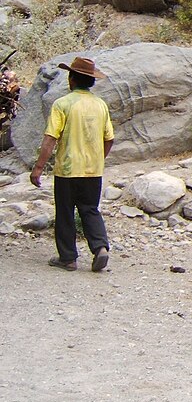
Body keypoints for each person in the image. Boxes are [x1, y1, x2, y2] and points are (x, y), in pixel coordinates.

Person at [30, 56, 114, 273]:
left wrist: (38, 168)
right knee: (90, 210)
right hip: (93, 171)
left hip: (67, 170)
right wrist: (98, 159)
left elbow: (51, 138)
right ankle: (100, 248)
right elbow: (109, 138)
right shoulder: (100, 105)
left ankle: (67, 258)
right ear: (91, 81)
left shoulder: (63, 104)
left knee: (65, 212)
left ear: (72, 79)